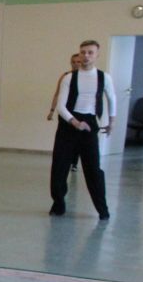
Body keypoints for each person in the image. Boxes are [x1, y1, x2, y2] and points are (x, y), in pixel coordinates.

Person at [49, 39, 116, 219]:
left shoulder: (104, 77)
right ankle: (58, 204)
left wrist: (112, 121)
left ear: (97, 55)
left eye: (90, 52)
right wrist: (75, 123)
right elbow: (61, 106)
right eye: (83, 52)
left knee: (93, 169)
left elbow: (112, 98)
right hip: (68, 124)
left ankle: (102, 209)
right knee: (59, 167)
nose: (86, 56)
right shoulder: (69, 78)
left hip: (89, 125)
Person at [48, 52, 85, 172]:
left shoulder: (86, 77)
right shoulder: (66, 76)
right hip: (65, 112)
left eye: (78, 62)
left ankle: (74, 162)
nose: (75, 64)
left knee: (78, 138)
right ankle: (64, 162)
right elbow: (57, 94)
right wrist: (52, 110)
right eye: (73, 62)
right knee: (65, 139)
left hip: (79, 113)